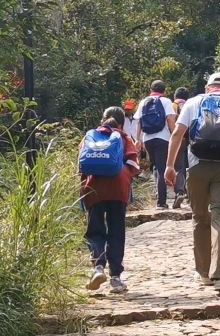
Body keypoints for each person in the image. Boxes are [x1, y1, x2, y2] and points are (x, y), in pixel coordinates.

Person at [164, 72, 220, 293]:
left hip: (197, 169)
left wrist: (169, 166)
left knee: (200, 217)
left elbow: (177, 134)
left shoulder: (194, 102)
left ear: (208, 88)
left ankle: (203, 274)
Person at [79, 106, 140, 293]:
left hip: (94, 188)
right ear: (122, 123)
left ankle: (98, 267)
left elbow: (81, 165)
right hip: (118, 188)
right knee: (116, 231)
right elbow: (133, 165)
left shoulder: (89, 136)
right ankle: (115, 278)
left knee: (95, 230)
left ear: (102, 120)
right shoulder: (123, 137)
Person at [134, 80, 176, 210]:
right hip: (162, 138)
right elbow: (170, 119)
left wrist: (138, 139)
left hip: (148, 139)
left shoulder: (143, 102)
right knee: (161, 167)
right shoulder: (166, 101)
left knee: (156, 167)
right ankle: (161, 202)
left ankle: (159, 195)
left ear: (150, 89)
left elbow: (139, 122)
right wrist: (174, 134)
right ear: (164, 90)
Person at [171, 87, 190, 208]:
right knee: (190, 167)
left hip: (178, 140)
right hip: (191, 140)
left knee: (179, 167)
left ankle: (180, 192)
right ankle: (192, 194)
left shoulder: (172, 106)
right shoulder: (190, 105)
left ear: (174, 96)